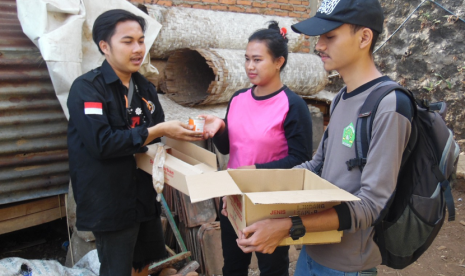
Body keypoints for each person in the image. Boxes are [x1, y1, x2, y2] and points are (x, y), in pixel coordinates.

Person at [235, 0, 414, 275]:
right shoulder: (342, 96)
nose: (319, 45)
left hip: (348, 265)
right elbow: (316, 166)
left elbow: (371, 205)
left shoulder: (389, 105)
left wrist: (286, 225)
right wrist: (250, 189)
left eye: (330, 37)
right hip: (313, 247)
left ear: (364, 37)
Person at [67, 9, 202, 276]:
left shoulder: (145, 88)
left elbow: (156, 134)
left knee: (153, 265)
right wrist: (154, 131)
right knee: (118, 269)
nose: (138, 48)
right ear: (105, 46)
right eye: (127, 41)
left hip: (143, 198)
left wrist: (185, 132)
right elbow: (101, 143)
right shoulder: (87, 89)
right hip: (111, 202)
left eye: (141, 40)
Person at [202, 21, 313, 276]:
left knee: (272, 269)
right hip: (234, 199)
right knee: (233, 266)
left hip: (270, 202)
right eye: (247, 59)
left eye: (258, 60)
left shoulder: (293, 105)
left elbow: (301, 160)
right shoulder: (238, 99)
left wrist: (254, 170)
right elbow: (229, 148)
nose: (250, 67)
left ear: (278, 62)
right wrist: (219, 128)